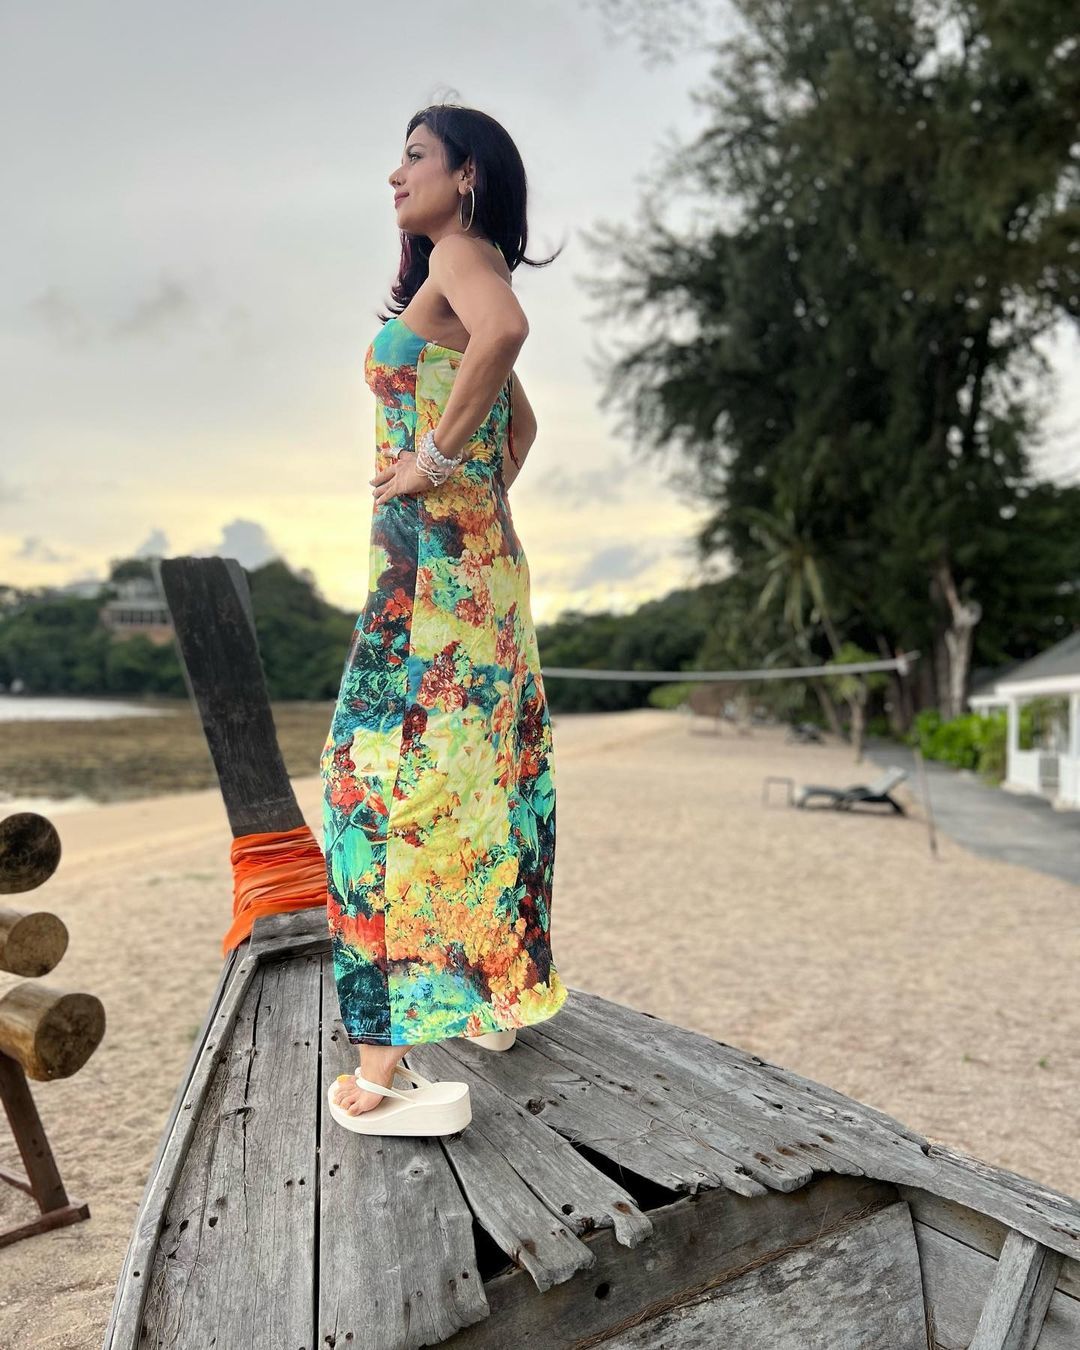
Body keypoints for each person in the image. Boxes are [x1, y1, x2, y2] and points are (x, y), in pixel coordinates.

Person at [320, 106, 569, 1129]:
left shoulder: (462, 253)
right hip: (468, 578)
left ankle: (380, 1067)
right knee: (478, 777)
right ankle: (491, 994)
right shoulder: (452, 273)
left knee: (368, 789)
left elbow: (506, 334)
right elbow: (524, 417)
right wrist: (474, 489)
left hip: (435, 586)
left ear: (467, 176)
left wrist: (433, 464)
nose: (396, 174)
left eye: (416, 156)